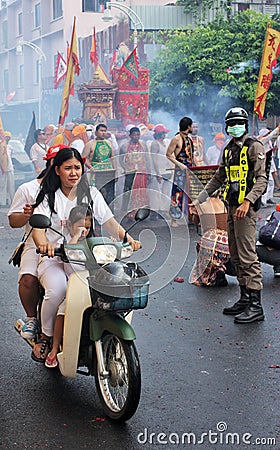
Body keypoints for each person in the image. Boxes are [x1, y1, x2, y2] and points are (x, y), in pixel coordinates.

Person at [31, 147, 141, 362]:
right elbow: (38, 230)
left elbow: (108, 221)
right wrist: (44, 245)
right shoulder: (48, 197)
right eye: (67, 168)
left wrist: (128, 238)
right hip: (55, 258)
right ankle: (45, 336)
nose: (73, 173)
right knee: (58, 290)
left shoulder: (91, 193)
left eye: (77, 168)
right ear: (57, 171)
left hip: (87, 258)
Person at [190, 107, 267, 324]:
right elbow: (218, 178)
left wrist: (248, 201)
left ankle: (256, 305)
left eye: (239, 122)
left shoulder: (254, 147)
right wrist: (199, 199)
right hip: (231, 207)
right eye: (231, 123)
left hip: (245, 209)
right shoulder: (229, 149)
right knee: (234, 253)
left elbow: (262, 179)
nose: (235, 126)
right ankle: (244, 298)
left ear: (245, 124)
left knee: (247, 255)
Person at [8, 144, 69, 339]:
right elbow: (13, 221)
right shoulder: (28, 189)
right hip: (38, 244)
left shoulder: (72, 188)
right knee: (28, 278)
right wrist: (26, 215)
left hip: (70, 243)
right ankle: (32, 319)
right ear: (51, 164)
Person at [44, 204, 93, 368]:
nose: (84, 230)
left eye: (87, 226)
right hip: (74, 288)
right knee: (64, 310)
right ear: (70, 225)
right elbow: (66, 250)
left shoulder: (91, 242)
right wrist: (76, 236)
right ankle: (55, 346)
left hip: (91, 285)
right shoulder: (64, 240)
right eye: (80, 226)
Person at [190, 195, 231, 287]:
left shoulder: (202, 204)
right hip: (225, 241)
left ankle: (207, 276)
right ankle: (219, 269)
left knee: (203, 244)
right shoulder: (223, 203)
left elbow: (195, 222)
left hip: (210, 240)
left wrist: (195, 213)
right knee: (217, 252)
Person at [166, 116, 194, 228]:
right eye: (191, 125)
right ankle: (174, 219)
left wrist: (196, 166)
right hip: (180, 171)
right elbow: (168, 154)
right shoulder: (177, 139)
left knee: (191, 193)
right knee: (178, 194)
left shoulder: (189, 139)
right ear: (189, 126)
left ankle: (191, 217)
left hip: (190, 170)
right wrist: (181, 165)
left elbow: (191, 155)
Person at [82, 123, 117, 209]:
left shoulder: (109, 143)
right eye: (101, 131)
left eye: (105, 131)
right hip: (95, 173)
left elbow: (113, 158)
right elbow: (83, 158)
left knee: (109, 194)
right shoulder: (90, 144)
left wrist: (115, 172)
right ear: (96, 132)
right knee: (97, 194)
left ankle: (109, 213)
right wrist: (91, 167)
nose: (103, 133)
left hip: (108, 172)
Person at [119, 126, 150, 219]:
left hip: (141, 172)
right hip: (130, 172)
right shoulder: (125, 146)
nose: (136, 137)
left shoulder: (143, 145)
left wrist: (149, 171)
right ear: (130, 135)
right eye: (134, 135)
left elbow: (147, 159)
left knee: (141, 192)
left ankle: (141, 212)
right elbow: (121, 159)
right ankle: (126, 213)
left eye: (138, 134)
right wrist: (125, 168)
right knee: (128, 192)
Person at [148, 124, 173, 215]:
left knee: (166, 192)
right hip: (158, 171)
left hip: (167, 170)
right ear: (159, 134)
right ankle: (155, 211)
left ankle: (164, 210)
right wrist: (157, 173)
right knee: (156, 192)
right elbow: (154, 159)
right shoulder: (155, 143)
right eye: (163, 133)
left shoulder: (166, 143)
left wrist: (171, 170)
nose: (165, 135)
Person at [258, 127, 280, 206]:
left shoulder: (269, 142)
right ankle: (262, 200)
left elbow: (270, 153)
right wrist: (277, 129)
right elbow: (271, 135)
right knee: (264, 182)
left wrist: (274, 168)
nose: (268, 135)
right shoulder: (262, 140)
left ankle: (268, 197)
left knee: (271, 182)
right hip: (263, 164)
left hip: (269, 162)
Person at [0, 131, 14, 206]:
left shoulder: (10, 147)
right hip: (2, 168)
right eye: (6, 137)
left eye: (9, 138)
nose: (7, 139)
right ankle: (2, 202)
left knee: (11, 185)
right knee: (2, 185)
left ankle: (12, 201)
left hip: (10, 168)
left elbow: (10, 157)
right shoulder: (0, 146)